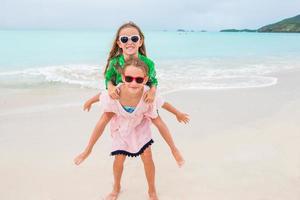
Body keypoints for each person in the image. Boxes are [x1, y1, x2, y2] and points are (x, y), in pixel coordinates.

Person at [83, 22, 189, 166]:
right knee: (105, 116)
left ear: (140, 41)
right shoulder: (115, 62)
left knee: (158, 120)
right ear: (119, 43)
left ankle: (174, 149)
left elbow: (153, 81)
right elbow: (108, 79)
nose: (129, 42)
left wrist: (152, 92)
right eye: (124, 39)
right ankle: (88, 149)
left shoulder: (148, 63)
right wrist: (111, 87)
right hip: (120, 99)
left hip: (142, 99)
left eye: (134, 38)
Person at [74, 59, 182, 200]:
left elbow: (162, 107)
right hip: (122, 128)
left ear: (146, 79)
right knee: (119, 160)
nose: (133, 83)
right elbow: (102, 96)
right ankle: (116, 187)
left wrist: (177, 114)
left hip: (140, 126)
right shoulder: (115, 93)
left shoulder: (148, 95)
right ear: (123, 78)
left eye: (139, 79)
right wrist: (89, 101)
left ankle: (152, 190)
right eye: (129, 78)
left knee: (148, 157)